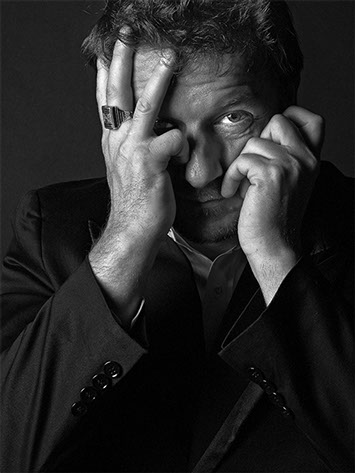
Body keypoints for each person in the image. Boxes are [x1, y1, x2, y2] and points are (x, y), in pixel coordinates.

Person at [1, 0, 353, 472]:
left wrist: (275, 253)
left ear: (287, 98)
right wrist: (125, 236)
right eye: (161, 125)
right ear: (116, 121)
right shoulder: (50, 228)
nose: (200, 173)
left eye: (233, 118)